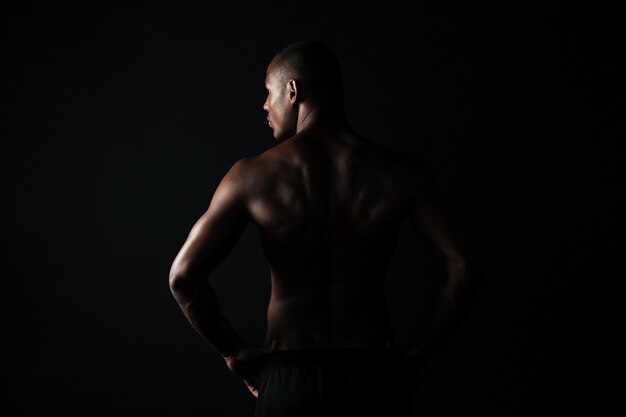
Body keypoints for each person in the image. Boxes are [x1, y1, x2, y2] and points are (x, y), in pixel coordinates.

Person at [168, 40, 482, 416]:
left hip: (289, 379)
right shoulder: (399, 172)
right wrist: (424, 350)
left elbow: (183, 277)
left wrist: (233, 351)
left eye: (268, 93)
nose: (265, 105)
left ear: (293, 90)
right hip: (373, 377)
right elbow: (466, 263)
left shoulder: (252, 176)